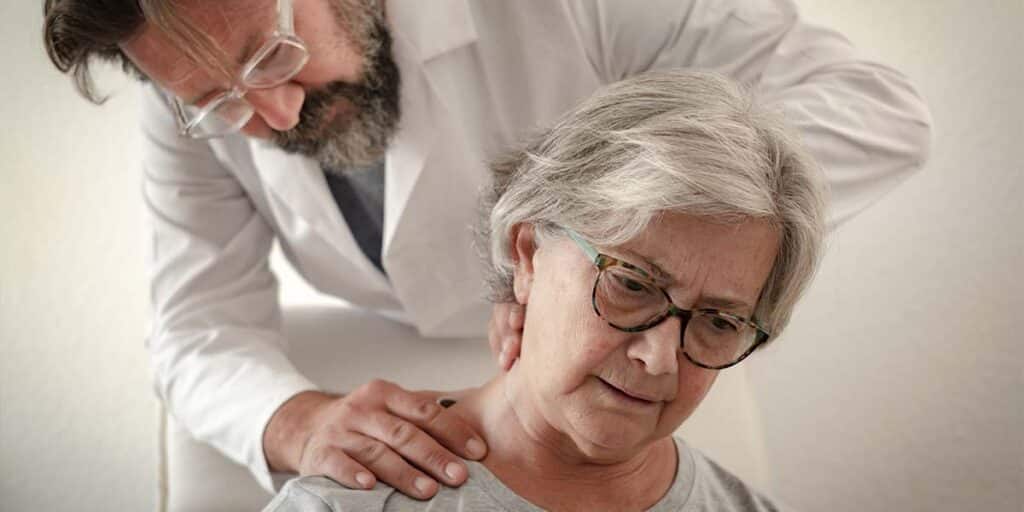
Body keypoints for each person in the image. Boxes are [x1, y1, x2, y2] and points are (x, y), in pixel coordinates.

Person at [41, 0, 930, 499]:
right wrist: (300, 421)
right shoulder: (192, 110)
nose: (271, 118)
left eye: (274, 56)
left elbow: (875, 109)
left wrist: (619, 242)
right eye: (216, 99)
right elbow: (195, 326)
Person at [263, 69, 825, 511]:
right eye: (632, 284)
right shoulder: (348, 502)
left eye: (719, 322)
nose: (658, 359)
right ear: (527, 254)